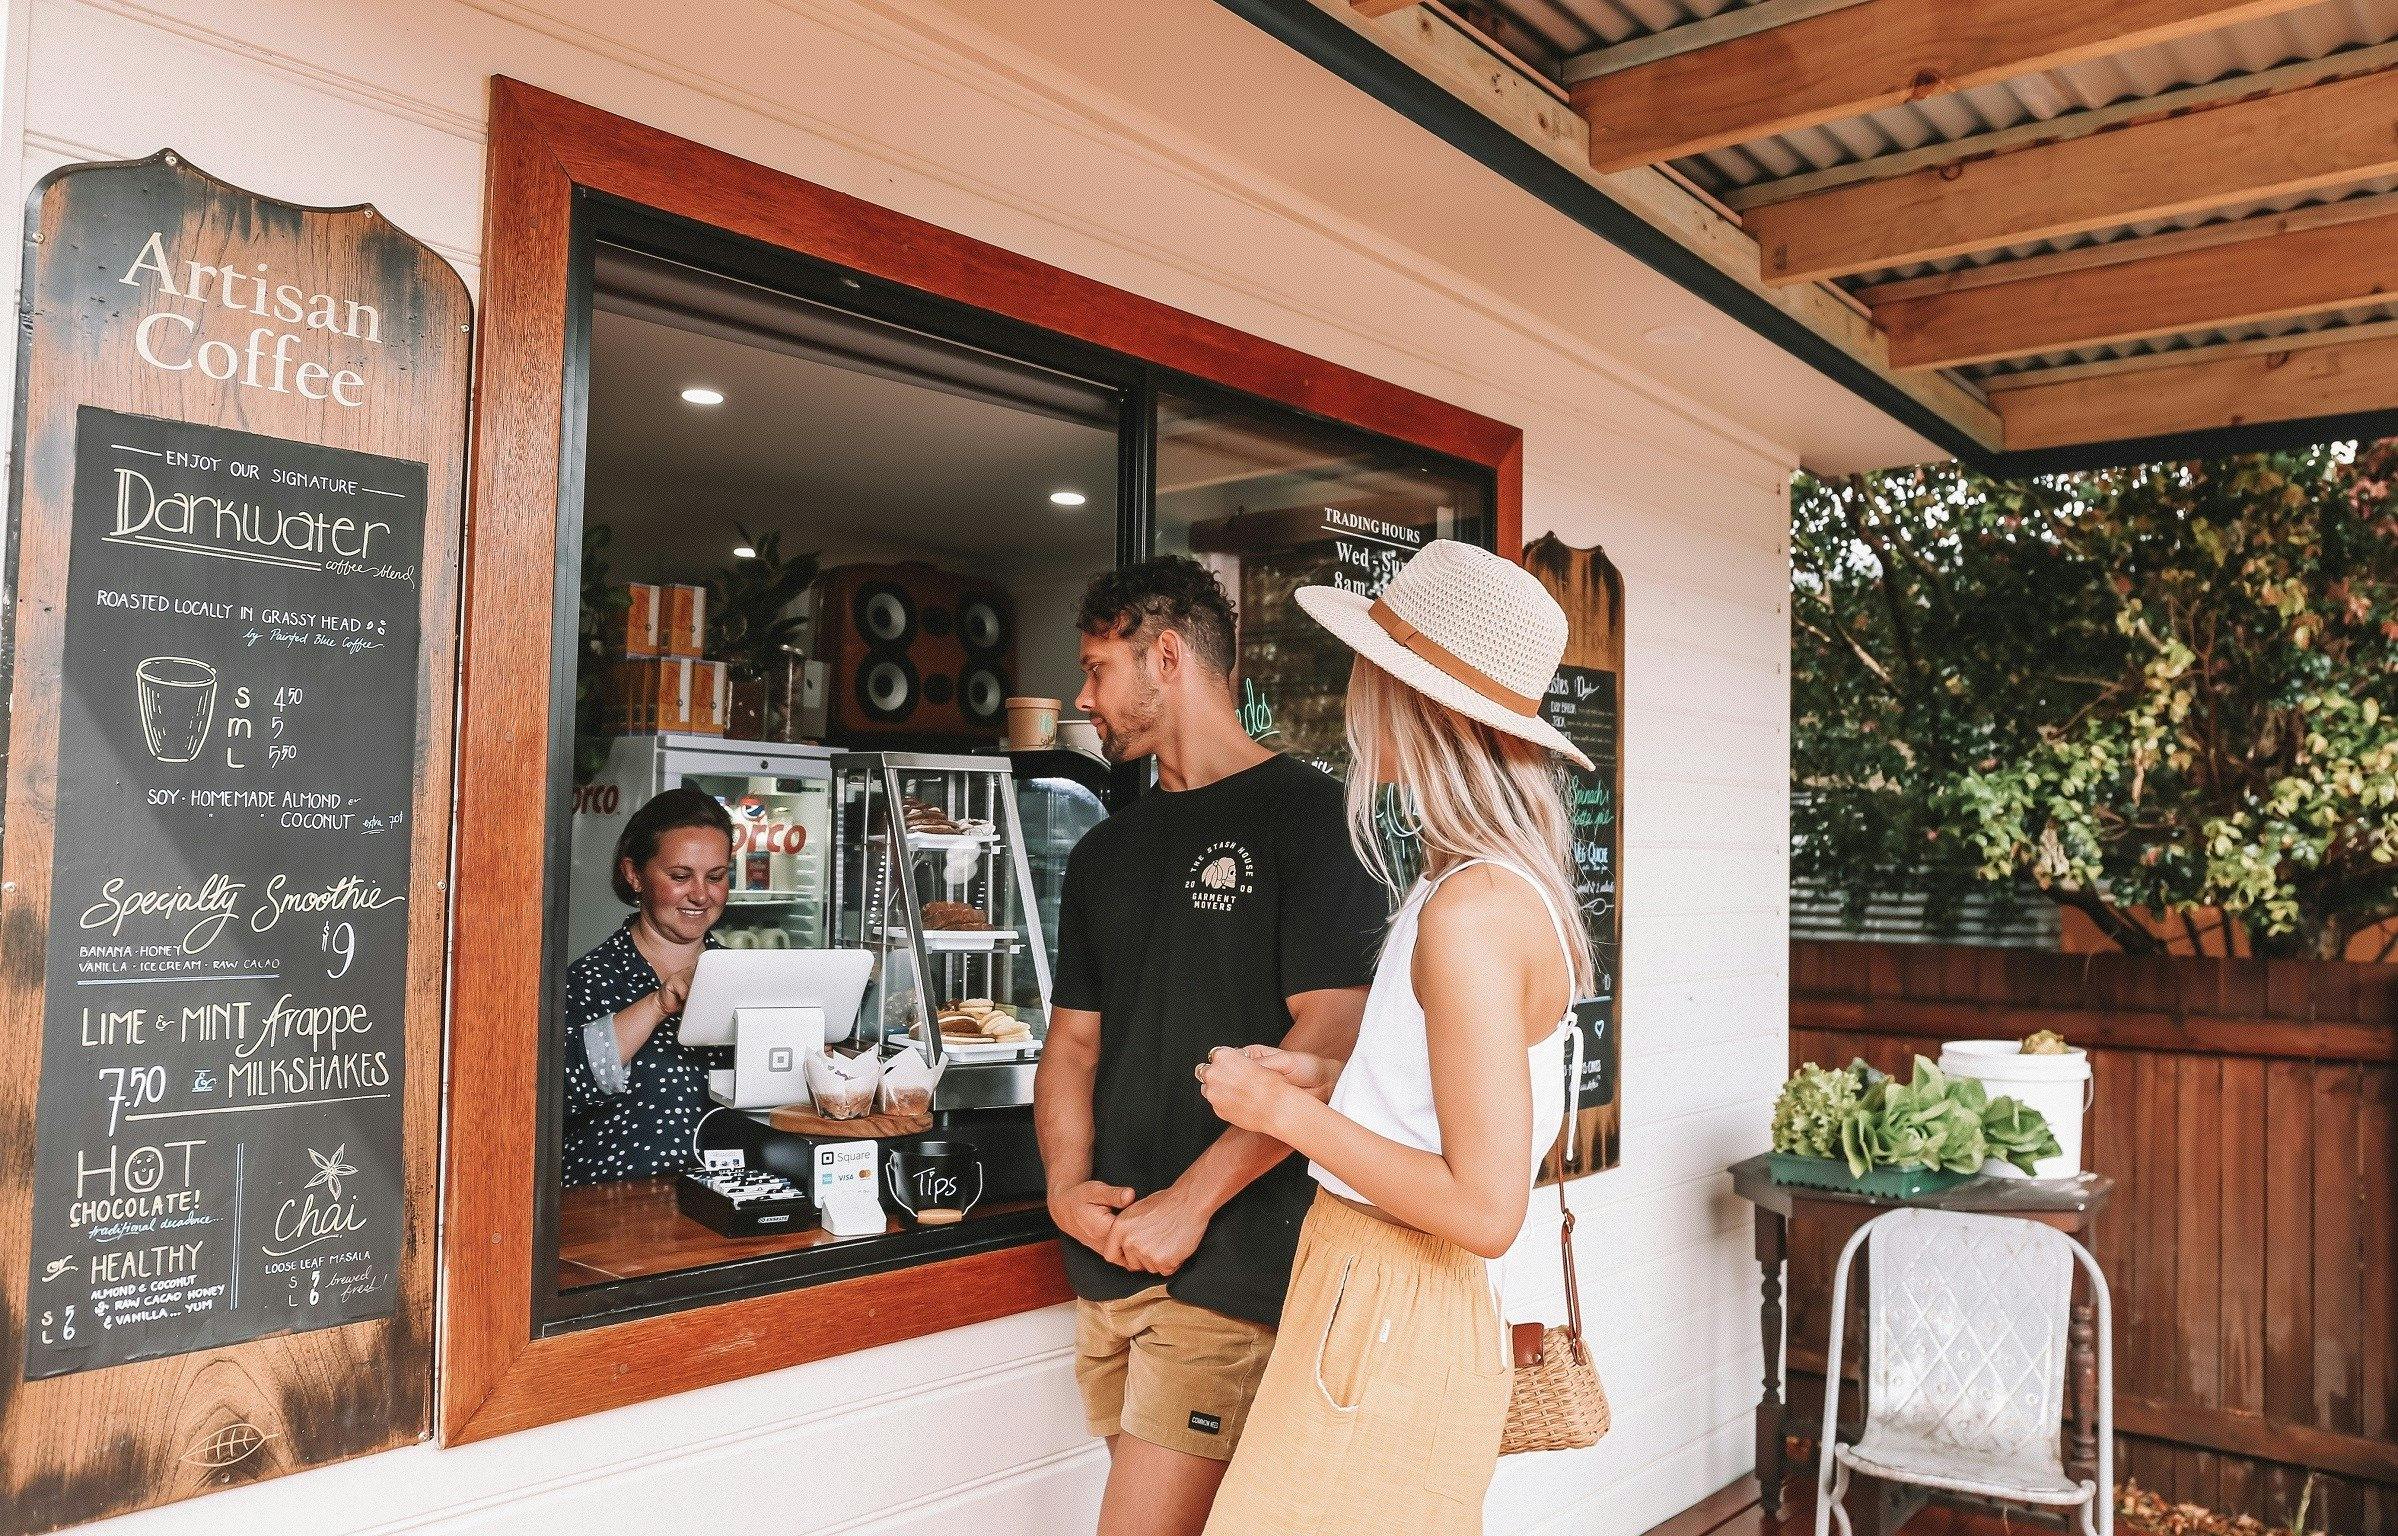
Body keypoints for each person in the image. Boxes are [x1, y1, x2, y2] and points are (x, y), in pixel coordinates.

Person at [1192, 539, 1596, 1536]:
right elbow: (1458, 1100)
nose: (1353, 694)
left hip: (1389, 1300)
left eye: (1371, 672)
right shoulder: (1485, 883)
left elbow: (1482, 1203)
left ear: (1416, 704)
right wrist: (1335, 1075)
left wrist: (1279, 1111)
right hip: (1391, 1300)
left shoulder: (1467, 908)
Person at [1035, 556, 1387, 1536]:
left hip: (1230, 1265)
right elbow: (1069, 1047)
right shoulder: (1108, 848)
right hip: (1109, 1265)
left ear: (1168, 655)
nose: (1083, 695)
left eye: (1097, 667)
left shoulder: (1308, 817)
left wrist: (1190, 1205)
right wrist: (1067, 1187)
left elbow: (1331, 1035)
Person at [561, 786, 734, 1186]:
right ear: (634, 874)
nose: (701, 895)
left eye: (716, 877)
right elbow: (553, 1092)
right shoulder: (588, 979)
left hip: (727, 1206)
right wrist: (657, 1004)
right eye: (680, 876)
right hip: (613, 1210)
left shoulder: (738, 975)